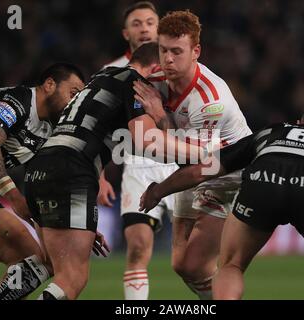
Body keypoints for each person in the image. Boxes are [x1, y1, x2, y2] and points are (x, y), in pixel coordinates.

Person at [24, 43, 205, 300]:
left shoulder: (101, 77)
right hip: (73, 171)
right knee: (72, 278)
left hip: (40, 167)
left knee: (52, 267)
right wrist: (202, 154)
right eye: (164, 74)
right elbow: (146, 141)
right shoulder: (136, 83)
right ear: (155, 68)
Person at [140, 100, 304, 300]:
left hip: (261, 184)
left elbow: (202, 170)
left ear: (298, 123)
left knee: (231, 266)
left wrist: (158, 191)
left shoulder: (271, 132)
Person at [133, 10, 252, 299]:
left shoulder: (209, 100)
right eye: (163, 50)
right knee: (180, 264)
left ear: (196, 51)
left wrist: (158, 190)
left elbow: (199, 165)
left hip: (226, 172)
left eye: (177, 51)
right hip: (193, 166)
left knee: (195, 263)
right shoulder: (158, 76)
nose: (168, 59)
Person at [0, 63, 85, 299]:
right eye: (73, 93)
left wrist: (80, 225)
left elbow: (44, 185)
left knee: (35, 263)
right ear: (49, 84)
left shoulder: (49, 131)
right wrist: (14, 197)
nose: (74, 102)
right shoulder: (17, 100)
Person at [97, 2, 178, 300]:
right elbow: (98, 130)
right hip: (139, 165)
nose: (144, 28)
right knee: (138, 247)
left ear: (159, 28)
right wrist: (100, 176)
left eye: (149, 22)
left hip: (183, 164)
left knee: (193, 261)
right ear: (125, 32)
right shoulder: (111, 72)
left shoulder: (178, 66)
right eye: (136, 23)